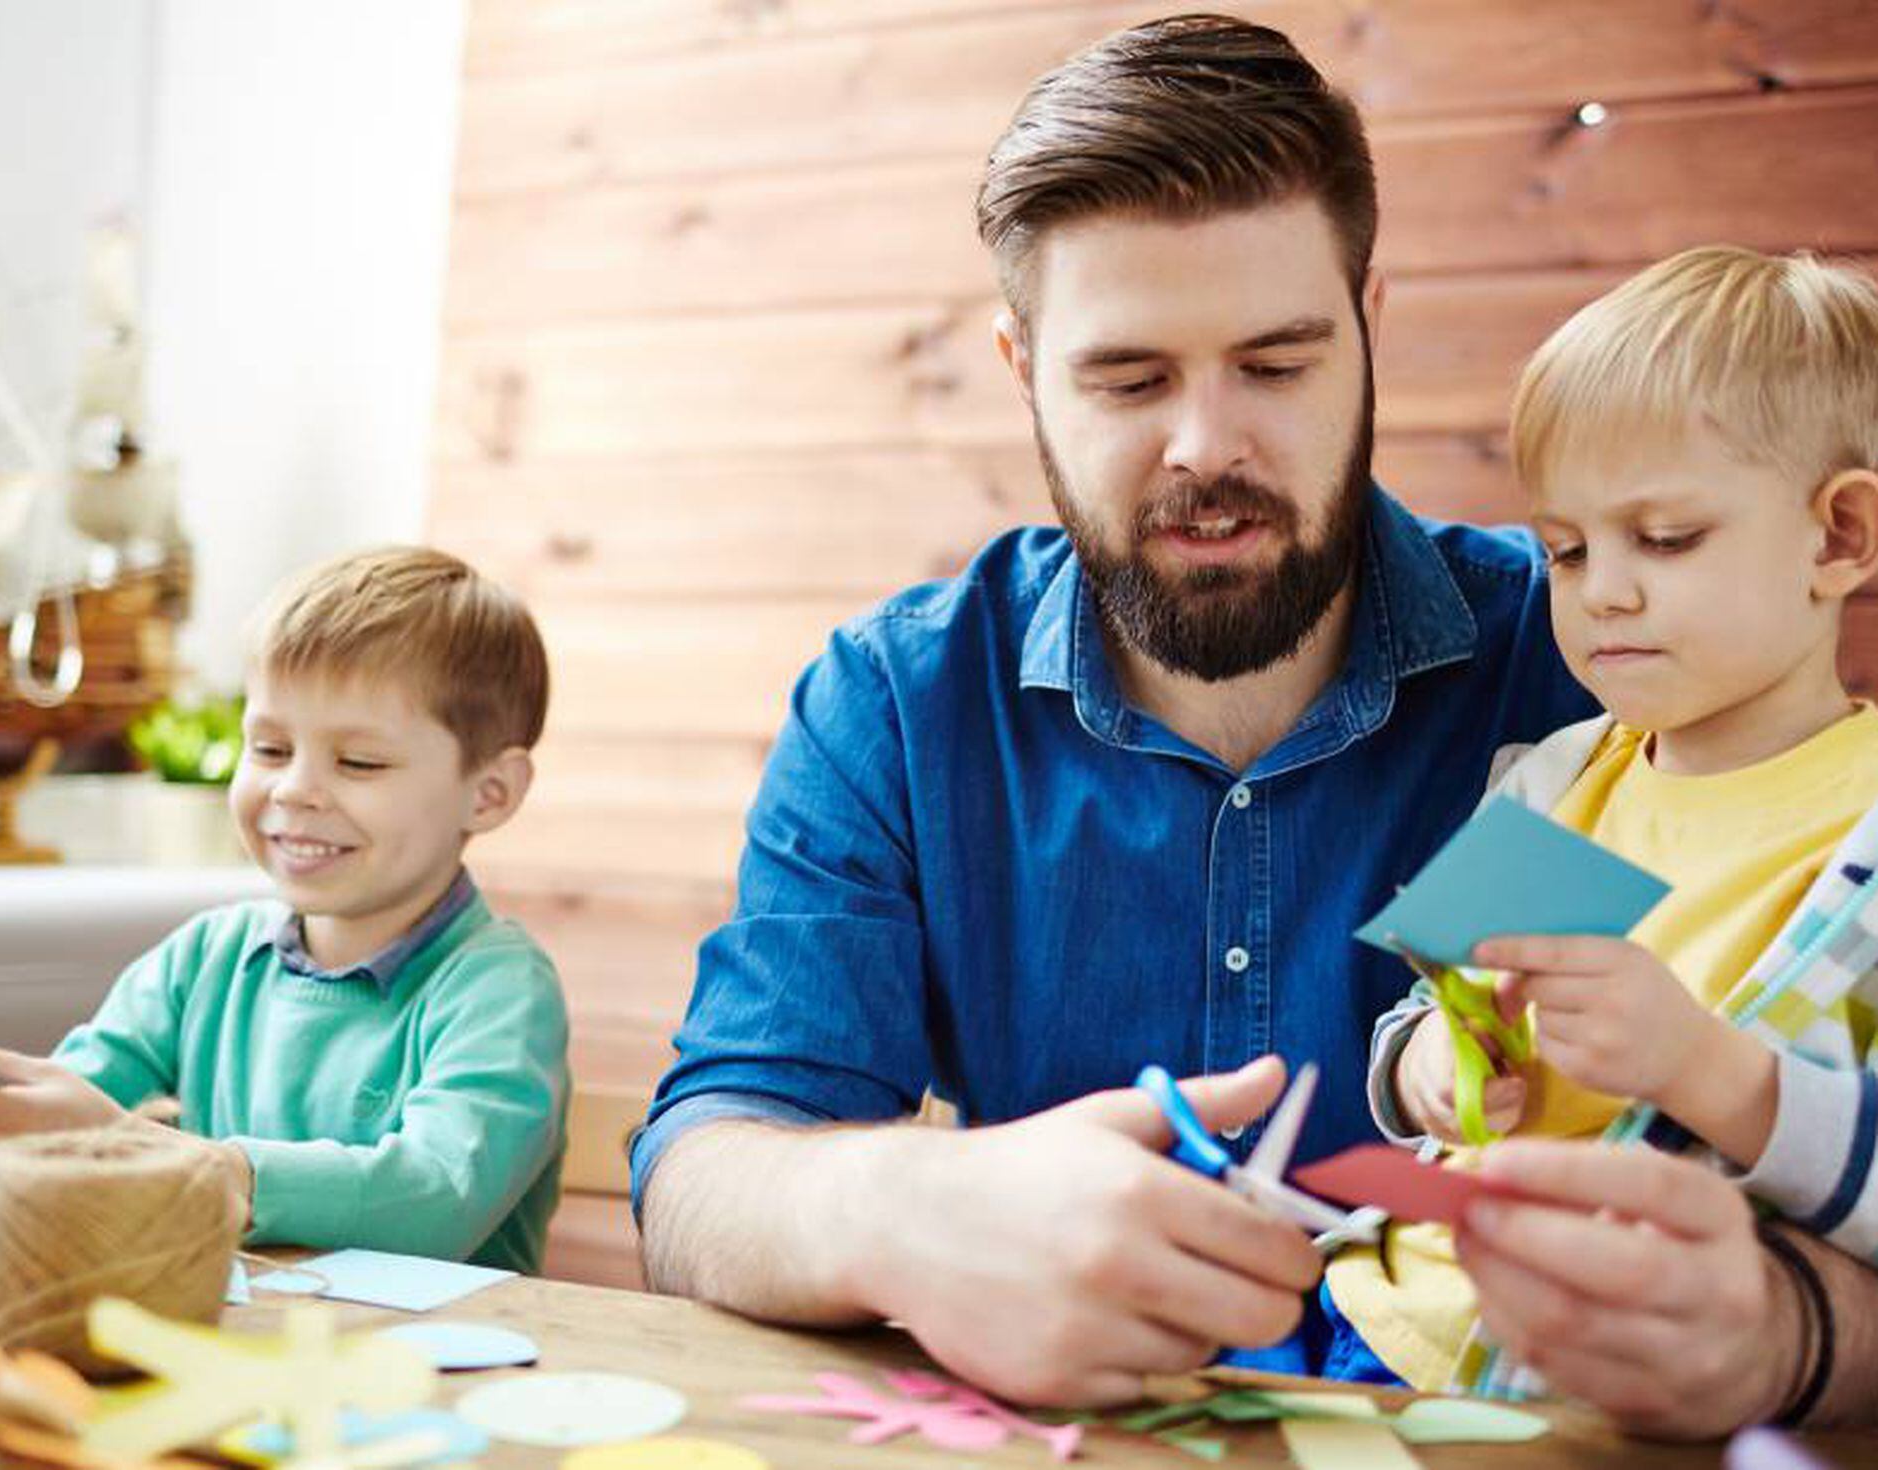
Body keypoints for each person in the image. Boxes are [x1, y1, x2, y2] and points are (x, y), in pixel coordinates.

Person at [633, 13, 1878, 1436]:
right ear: (1021, 362)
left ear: (1367, 327)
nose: (1206, 446)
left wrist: (1789, 1332)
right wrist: (909, 1202)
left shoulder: (1622, 658)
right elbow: (700, 1177)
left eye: (1278, 364)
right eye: (1129, 379)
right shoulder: (896, 701)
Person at [1323, 246, 1878, 1404]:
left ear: (1839, 538)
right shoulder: (1556, 779)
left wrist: (1704, 1069)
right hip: (1379, 1323)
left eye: (1665, 539)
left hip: (1636, 1389)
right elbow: (1434, 1007)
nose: (1602, 593)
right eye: (1565, 550)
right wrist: (1434, 1065)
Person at [0, 546, 570, 1272]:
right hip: (230, 1340)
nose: (294, 789)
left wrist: (193, 1167)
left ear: (489, 793)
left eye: (358, 762)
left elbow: (439, 1195)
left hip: (441, 1367)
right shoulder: (204, 959)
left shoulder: (500, 988)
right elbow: (51, 1114)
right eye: (268, 747)